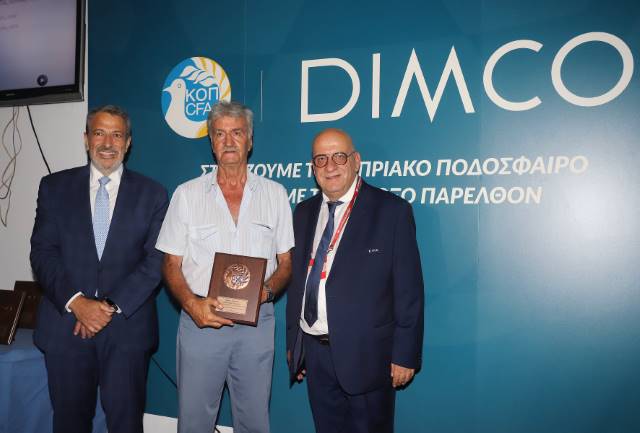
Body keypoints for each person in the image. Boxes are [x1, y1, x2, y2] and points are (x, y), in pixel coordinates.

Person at [156, 101, 294, 433]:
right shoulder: (187, 195)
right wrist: (192, 305)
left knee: (254, 421)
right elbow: (171, 263)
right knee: (194, 422)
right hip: (201, 321)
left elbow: (286, 263)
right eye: (220, 134)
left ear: (250, 140)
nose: (229, 141)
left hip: (256, 322)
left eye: (237, 133)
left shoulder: (275, 194)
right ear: (211, 142)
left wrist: (266, 292)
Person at [30, 105, 169, 433]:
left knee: (126, 424)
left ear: (128, 142)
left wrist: (107, 307)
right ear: (86, 139)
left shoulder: (153, 194)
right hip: (66, 328)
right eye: (99, 133)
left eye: (117, 135)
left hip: (127, 332)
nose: (108, 143)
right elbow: (43, 253)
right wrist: (77, 303)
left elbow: (156, 261)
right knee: (69, 424)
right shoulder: (54, 187)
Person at [286, 128, 424, 433]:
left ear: (356, 160)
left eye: (339, 156)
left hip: (368, 356)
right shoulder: (303, 212)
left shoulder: (391, 211)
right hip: (315, 353)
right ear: (313, 167)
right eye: (321, 159)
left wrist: (405, 354)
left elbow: (409, 290)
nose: (330, 166)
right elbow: (298, 284)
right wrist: (295, 344)